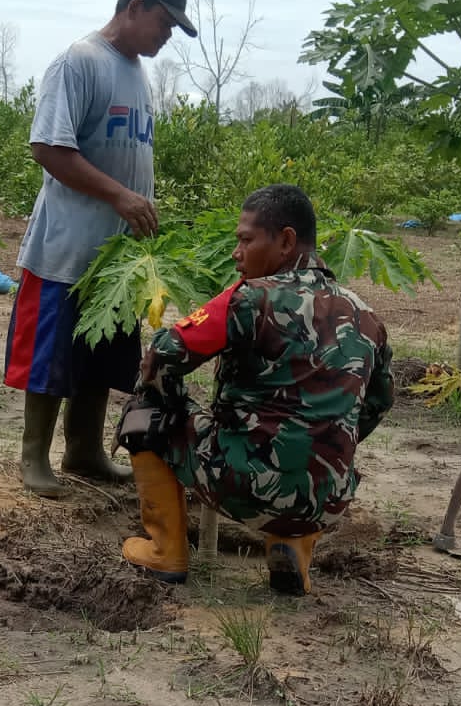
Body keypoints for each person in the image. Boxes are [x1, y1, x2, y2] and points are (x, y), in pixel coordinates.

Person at [114, 184, 394, 595]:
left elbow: (162, 354)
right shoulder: (366, 315)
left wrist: (174, 402)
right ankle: (292, 548)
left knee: (143, 411)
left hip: (245, 487)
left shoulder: (250, 298)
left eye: (246, 240)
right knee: (306, 455)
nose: (236, 253)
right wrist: (326, 444)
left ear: (285, 241)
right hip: (328, 501)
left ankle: (165, 552)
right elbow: (379, 402)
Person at [3, 0, 196, 497]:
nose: (167, 35)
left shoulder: (136, 72)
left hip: (115, 262)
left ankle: (83, 452)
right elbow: (48, 148)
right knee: (51, 358)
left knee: (96, 357)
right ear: (134, 7)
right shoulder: (79, 62)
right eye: (164, 22)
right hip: (66, 250)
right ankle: (32, 459)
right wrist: (118, 195)